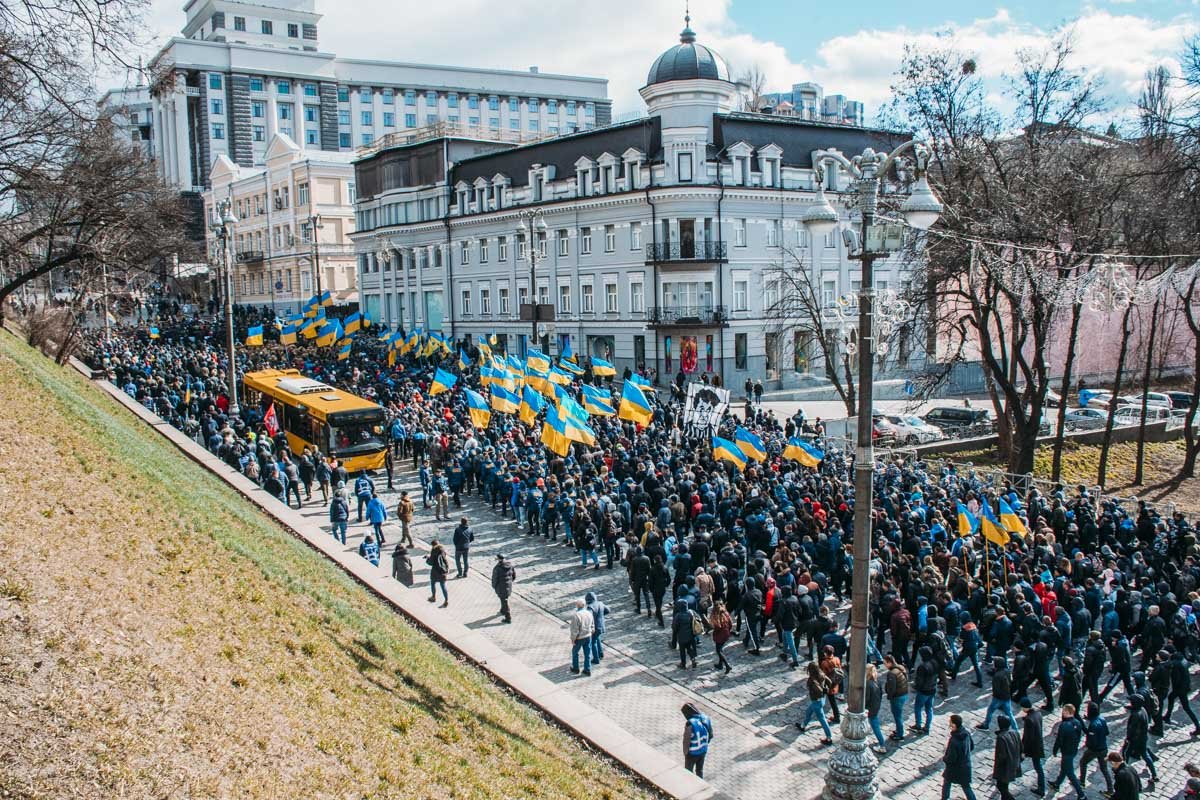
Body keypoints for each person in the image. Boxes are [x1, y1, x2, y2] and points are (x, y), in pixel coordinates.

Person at [1049, 703, 1087, 798]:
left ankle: (1081, 795)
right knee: (1064, 768)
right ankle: (1057, 784)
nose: (1062, 713)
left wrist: (1055, 750)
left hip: (1066, 751)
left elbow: (1059, 740)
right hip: (1073, 749)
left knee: (1070, 773)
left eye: (1064, 711)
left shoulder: (1064, 725)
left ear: (1067, 712)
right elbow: (1079, 736)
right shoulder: (1078, 722)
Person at [1079, 701, 1113, 797]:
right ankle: (1110, 789)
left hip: (1094, 750)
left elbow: (1092, 740)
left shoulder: (1093, 724)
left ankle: (1082, 782)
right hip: (1104, 748)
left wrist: (1088, 745)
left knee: (1083, 762)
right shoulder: (1102, 719)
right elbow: (1107, 732)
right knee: (1104, 769)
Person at [796, 662, 834, 745]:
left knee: (822, 719)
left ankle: (829, 738)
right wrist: (826, 689)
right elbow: (830, 682)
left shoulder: (812, 680)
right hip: (822, 699)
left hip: (817, 701)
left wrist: (821, 691)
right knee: (808, 711)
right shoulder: (822, 674)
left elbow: (819, 691)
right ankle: (803, 726)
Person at [940, 714, 977, 800]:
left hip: (955, 767)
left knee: (947, 782)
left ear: (954, 724)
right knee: (966, 786)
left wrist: (945, 758)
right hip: (965, 765)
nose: (949, 724)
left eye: (950, 722)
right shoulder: (966, 733)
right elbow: (971, 746)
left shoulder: (954, 740)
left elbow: (951, 758)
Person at [1022, 697, 1047, 797]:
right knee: (1038, 767)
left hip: (1033, 747)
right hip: (1038, 744)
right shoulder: (1038, 713)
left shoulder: (1029, 720)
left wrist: (1023, 750)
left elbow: (1028, 737)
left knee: (1038, 767)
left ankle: (1041, 789)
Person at [993, 715, 1022, 800]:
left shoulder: (1001, 737)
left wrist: (997, 768)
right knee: (1005, 786)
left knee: (1001, 786)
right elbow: (1021, 747)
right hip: (1014, 763)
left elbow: (1002, 756)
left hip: (1005, 767)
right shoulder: (1015, 732)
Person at [681, 703, 713, 778]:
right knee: (699, 770)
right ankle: (701, 783)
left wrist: (686, 754)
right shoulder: (705, 718)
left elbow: (686, 741)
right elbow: (711, 735)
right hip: (703, 750)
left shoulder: (690, 723)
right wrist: (704, 744)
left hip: (692, 753)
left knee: (688, 773)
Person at [884, 654, 909, 742]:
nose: (885, 665)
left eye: (885, 663)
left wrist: (889, 697)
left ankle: (900, 734)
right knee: (898, 715)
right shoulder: (901, 668)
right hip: (904, 694)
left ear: (890, 663)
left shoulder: (891, 673)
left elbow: (892, 688)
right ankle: (899, 730)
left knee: (897, 716)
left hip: (897, 697)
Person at [866, 662, 888, 754]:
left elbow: (866, 698)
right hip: (876, 705)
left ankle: (882, 745)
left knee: (875, 725)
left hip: (870, 708)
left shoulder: (868, 683)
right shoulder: (877, 681)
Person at [569, 598, 595, 676]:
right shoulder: (589, 613)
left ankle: (576, 668)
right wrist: (591, 631)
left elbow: (574, 630)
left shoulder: (576, 615)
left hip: (579, 638)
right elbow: (592, 624)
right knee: (587, 653)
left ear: (577, 605)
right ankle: (587, 669)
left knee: (575, 652)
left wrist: (573, 639)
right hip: (588, 636)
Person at [672, 598, 699, 670]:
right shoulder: (691, 612)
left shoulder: (678, 616)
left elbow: (674, 627)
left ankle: (683, 664)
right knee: (689, 648)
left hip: (682, 636)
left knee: (682, 650)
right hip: (691, 635)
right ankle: (693, 659)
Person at [709, 599, 733, 674]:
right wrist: (728, 630)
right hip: (726, 633)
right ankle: (720, 664)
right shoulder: (725, 613)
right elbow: (730, 623)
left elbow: (716, 627)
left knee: (719, 650)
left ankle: (727, 665)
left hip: (719, 635)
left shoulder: (715, 616)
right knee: (720, 648)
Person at [586, 591, 610, 664]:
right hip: (601, 626)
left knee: (593, 642)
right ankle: (600, 653)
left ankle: (596, 659)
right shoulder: (600, 603)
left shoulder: (590, 607)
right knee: (597, 639)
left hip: (595, 628)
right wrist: (601, 616)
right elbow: (608, 610)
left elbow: (589, 617)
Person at [491, 553, 515, 623]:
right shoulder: (510, 565)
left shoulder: (497, 568)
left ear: (499, 559)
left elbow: (495, 578)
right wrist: (509, 582)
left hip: (501, 587)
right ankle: (502, 610)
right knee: (504, 599)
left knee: (504, 601)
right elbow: (514, 575)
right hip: (508, 586)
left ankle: (508, 618)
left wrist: (494, 586)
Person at [426, 539, 450, 607]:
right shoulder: (442, 550)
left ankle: (433, 597)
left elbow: (431, 562)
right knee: (443, 586)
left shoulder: (434, 551)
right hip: (443, 571)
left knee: (433, 583)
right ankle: (446, 600)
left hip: (435, 571)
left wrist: (427, 558)